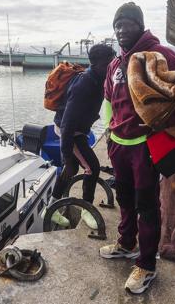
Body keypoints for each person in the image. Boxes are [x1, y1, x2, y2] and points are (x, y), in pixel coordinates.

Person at [99, 2, 175, 294]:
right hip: (119, 147)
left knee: (147, 207)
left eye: (128, 24)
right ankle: (126, 243)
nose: (121, 29)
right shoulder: (113, 64)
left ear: (140, 26)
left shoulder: (159, 55)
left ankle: (146, 265)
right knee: (124, 199)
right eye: (117, 24)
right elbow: (108, 100)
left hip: (144, 148)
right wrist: (110, 131)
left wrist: (170, 120)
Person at [42, 44, 116, 229]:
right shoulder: (83, 85)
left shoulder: (98, 78)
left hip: (78, 130)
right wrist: (67, 156)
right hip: (71, 131)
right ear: (99, 64)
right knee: (92, 167)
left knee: (73, 169)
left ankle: (51, 208)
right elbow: (67, 123)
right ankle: (86, 208)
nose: (113, 64)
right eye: (110, 61)